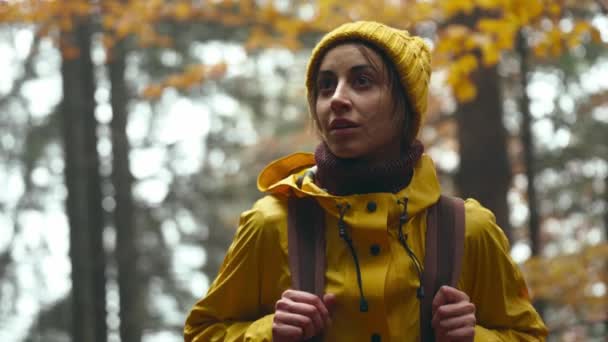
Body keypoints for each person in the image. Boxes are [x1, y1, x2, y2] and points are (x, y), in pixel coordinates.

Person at [184, 21, 547, 341]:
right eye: (326, 87)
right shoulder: (271, 223)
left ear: (404, 105)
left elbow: (528, 335)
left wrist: (476, 338)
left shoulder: (468, 230)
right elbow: (202, 332)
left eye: (362, 81)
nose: (338, 99)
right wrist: (267, 334)